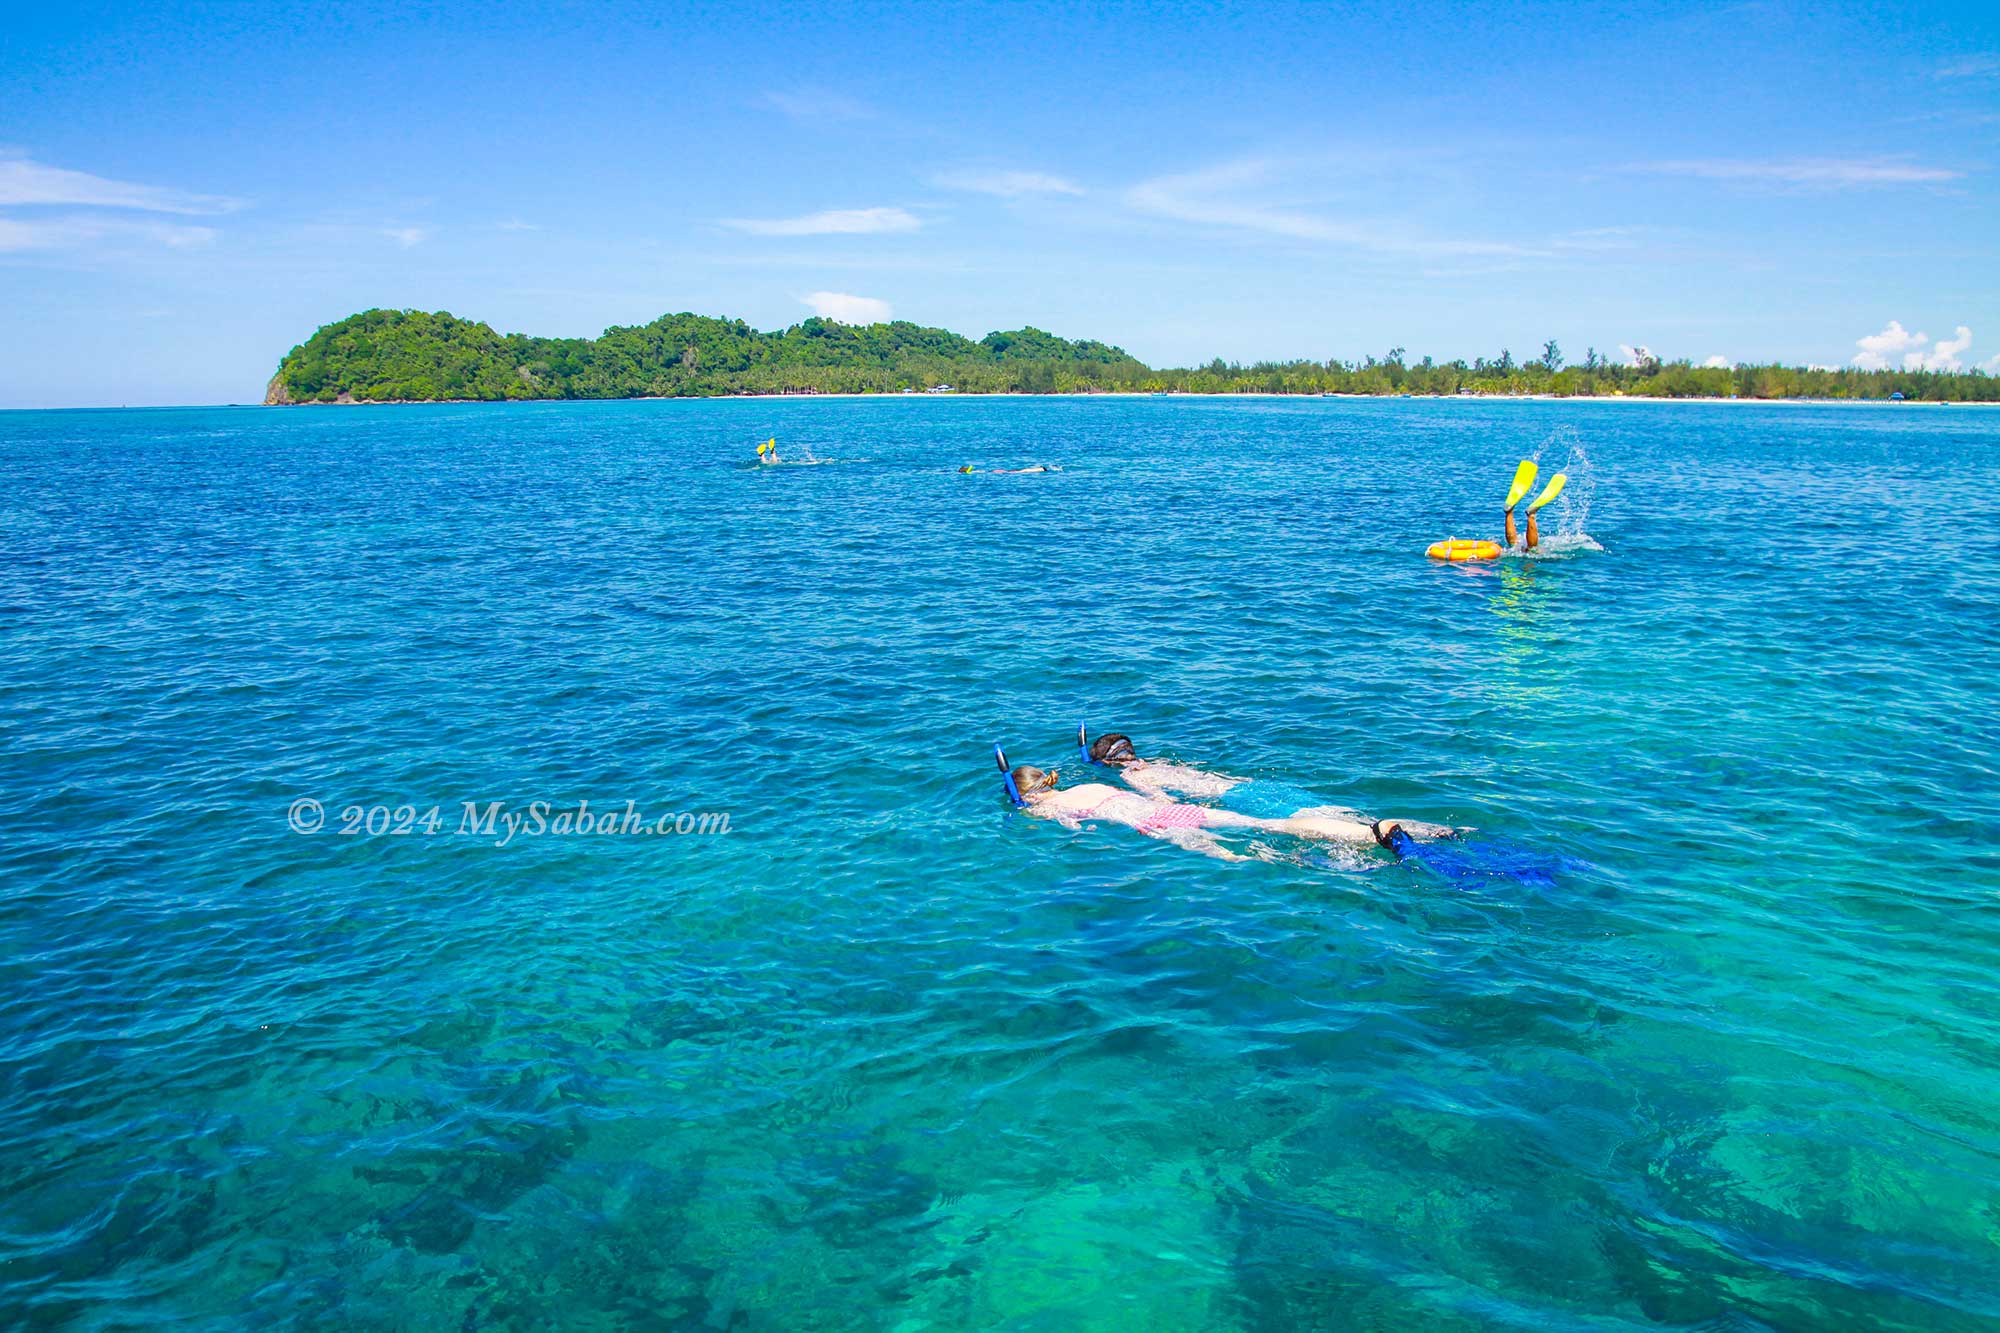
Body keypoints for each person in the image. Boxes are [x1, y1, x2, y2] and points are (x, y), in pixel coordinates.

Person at [1080, 728, 1460, 840]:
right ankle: (1434, 831)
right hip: (1253, 786)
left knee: (1330, 831)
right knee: (1345, 816)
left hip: (1245, 800)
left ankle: (1392, 838)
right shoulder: (1158, 761)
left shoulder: (1135, 775)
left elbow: (1162, 802)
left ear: (1108, 763)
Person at [1005, 763, 1401, 862]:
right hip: (1172, 809)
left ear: (1029, 796)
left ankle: (1258, 858)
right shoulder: (1086, 786)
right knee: (1270, 824)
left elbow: (1076, 828)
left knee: (1234, 857)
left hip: (1152, 823)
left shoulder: (1045, 809)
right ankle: (1366, 833)